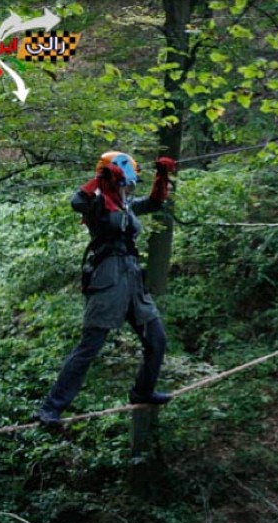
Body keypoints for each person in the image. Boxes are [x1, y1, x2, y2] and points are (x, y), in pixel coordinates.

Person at [34, 151, 176, 426]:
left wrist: (162, 176)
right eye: (124, 180)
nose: (128, 187)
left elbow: (155, 203)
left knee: (156, 340)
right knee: (90, 347)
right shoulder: (97, 202)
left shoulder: (126, 204)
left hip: (133, 280)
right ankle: (50, 408)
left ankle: (142, 391)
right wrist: (99, 179)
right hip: (108, 279)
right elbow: (77, 201)